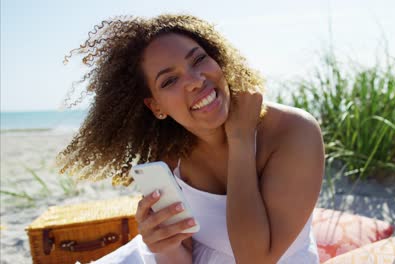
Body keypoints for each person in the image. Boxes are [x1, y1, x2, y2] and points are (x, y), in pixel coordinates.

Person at [59, 14, 324, 264]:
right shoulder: (170, 153)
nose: (195, 81)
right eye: (170, 80)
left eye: (198, 60)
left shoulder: (293, 131)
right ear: (156, 106)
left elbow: (255, 260)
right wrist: (165, 245)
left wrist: (241, 140)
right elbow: (183, 256)